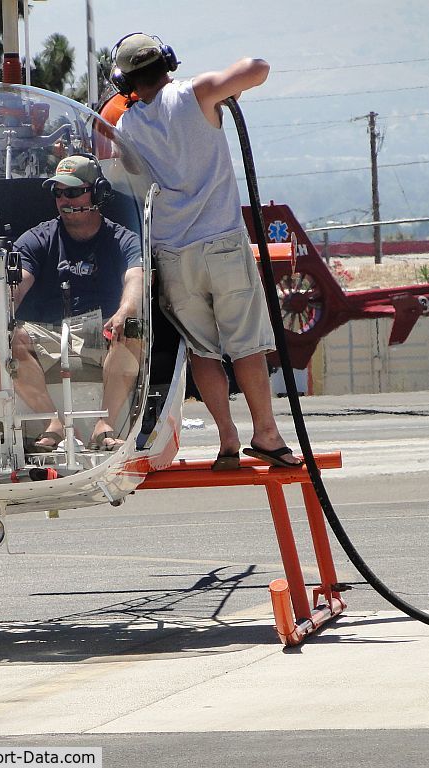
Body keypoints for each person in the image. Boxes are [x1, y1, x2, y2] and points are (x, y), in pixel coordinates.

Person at [112, 33, 303, 470]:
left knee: (203, 351)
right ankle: (267, 434)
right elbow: (259, 66)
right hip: (222, 244)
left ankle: (228, 438)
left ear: (126, 82)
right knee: (247, 348)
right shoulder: (196, 93)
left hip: (174, 254)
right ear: (168, 63)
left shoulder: (125, 128)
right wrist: (226, 89)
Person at [12, 155, 143, 452]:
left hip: (103, 331)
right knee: (4, 337)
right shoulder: (38, 238)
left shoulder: (124, 239)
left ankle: (104, 425)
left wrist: (124, 312)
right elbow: (17, 282)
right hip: (50, 333)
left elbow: (136, 278)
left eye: (71, 192)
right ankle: (52, 424)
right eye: (57, 193)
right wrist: (3, 307)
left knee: (133, 327)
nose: (63, 200)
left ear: (96, 193)